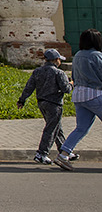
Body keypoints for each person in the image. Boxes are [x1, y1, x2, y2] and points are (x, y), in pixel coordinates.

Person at [56, 28, 102, 171]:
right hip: (95, 94)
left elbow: (74, 77)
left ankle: (63, 154)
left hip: (79, 95)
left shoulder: (77, 56)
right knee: (82, 128)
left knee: (81, 128)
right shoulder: (97, 56)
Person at [18, 48, 72, 164]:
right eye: (59, 60)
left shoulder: (37, 71)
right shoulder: (59, 73)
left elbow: (29, 87)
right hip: (54, 104)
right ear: (56, 60)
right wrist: (71, 84)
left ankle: (66, 150)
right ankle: (42, 153)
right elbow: (66, 89)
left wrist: (22, 100)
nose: (60, 62)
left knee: (57, 127)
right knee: (51, 129)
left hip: (42, 103)